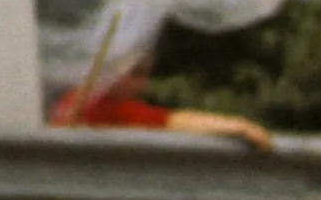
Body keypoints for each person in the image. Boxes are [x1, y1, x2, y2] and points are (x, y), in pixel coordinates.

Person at [51, 64, 274, 152]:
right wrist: (241, 127)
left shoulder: (74, 98)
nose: (143, 85)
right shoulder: (106, 106)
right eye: (136, 74)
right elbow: (174, 121)